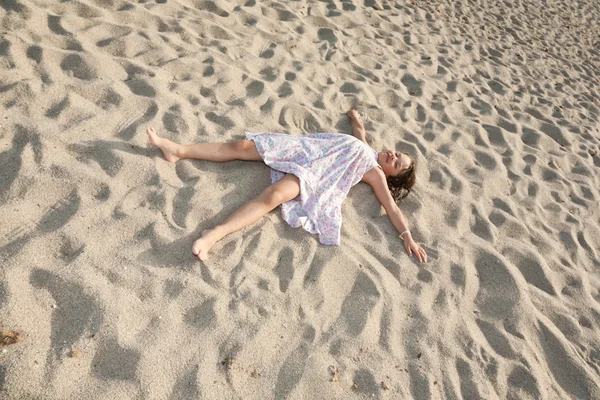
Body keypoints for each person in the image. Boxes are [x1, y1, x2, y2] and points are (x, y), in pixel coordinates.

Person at [146, 110, 427, 263]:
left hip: (314, 175)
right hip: (301, 149)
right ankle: (178, 150)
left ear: (391, 176)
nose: (394, 156)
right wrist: (355, 118)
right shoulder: (365, 146)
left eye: (398, 164)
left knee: (274, 197)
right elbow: (360, 132)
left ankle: (213, 236)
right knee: (241, 147)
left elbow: (390, 207)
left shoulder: (375, 173)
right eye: (398, 153)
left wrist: (407, 235)